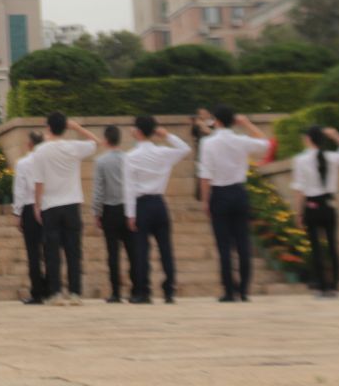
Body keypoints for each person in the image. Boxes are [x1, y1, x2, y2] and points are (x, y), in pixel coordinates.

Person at [196, 105, 275, 302]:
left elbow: (205, 175)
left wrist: (205, 200)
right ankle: (244, 290)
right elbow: (266, 144)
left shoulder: (208, 143)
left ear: (217, 121)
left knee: (224, 246)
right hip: (239, 192)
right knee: (243, 243)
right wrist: (247, 124)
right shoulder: (241, 140)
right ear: (233, 121)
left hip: (219, 194)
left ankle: (229, 291)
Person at [27, 113, 104, 306]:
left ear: (48, 127)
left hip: (50, 205)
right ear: (64, 127)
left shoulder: (40, 150)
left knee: (52, 252)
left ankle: (55, 293)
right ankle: (75, 292)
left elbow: (38, 181)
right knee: (73, 251)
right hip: (72, 203)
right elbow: (97, 142)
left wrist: (37, 205)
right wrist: (77, 128)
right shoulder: (74, 147)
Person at [122, 114, 191, 305]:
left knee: (142, 251)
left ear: (137, 131)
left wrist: (130, 214)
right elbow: (185, 149)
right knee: (165, 249)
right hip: (159, 203)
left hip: (141, 205)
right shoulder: (163, 152)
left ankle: (143, 291)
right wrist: (166, 135)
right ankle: (169, 290)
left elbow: (129, 187)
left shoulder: (130, 156)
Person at [294, 125, 339, 298]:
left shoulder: (301, 160)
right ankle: (334, 287)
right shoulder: (332, 157)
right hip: (329, 205)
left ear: (308, 139)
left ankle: (321, 287)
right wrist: (335, 135)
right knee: (333, 246)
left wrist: (299, 213)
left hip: (312, 206)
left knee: (316, 248)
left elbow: (299, 189)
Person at [91, 125, 135, 304]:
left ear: (106, 140)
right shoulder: (128, 158)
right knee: (132, 251)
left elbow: (99, 189)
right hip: (127, 208)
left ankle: (116, 292)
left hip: (110, 210)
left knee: (113, 252)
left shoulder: (101, 161)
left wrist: (96, 211)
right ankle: (136, 289)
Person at [13, 130, 46, 305]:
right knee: (49, 251)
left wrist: (17, 213)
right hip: (47, 206)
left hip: (29, 207)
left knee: (33, 253)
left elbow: (20, 189)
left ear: (30, 144)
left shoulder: (23, 163)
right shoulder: (47, 161)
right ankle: (51, 288)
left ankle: (37, 291)